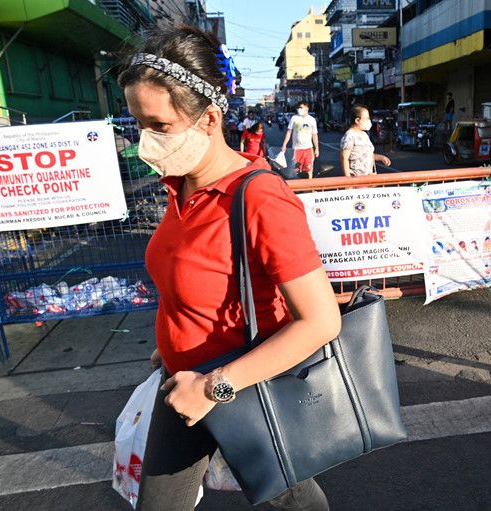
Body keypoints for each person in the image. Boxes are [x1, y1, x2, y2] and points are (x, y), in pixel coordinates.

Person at [118, 24, 339, 509]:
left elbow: (321, 321)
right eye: (138, 123)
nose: (145, 140)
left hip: (237, 386)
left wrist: (213, 387)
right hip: (181, 381)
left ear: (210, 119)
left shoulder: (260, 198)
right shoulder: (180, 184)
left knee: (292, 498)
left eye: (158, 125)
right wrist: (172, 338)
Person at [340, 105, 391, 177]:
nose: (369, 121)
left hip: (369, 176)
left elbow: (366, 155)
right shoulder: (349, 136)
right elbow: (344, 158)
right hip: (356, 178)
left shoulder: (364, 134)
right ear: (357, 120)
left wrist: (381, 158)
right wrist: (348, 179)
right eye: (367, 118)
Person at [281, 101, 319, 179]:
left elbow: (314, 134)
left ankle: (310, 185)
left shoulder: (312, 120)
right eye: (298, 108)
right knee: (297, 170)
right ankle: (298, 185)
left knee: (309, 169)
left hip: (308, 148)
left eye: (301, 107)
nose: (299, 109)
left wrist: (317, 148)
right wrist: (284, 144)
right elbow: (289, 132)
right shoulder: (294, 118)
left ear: (307, 108)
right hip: (297, 149)